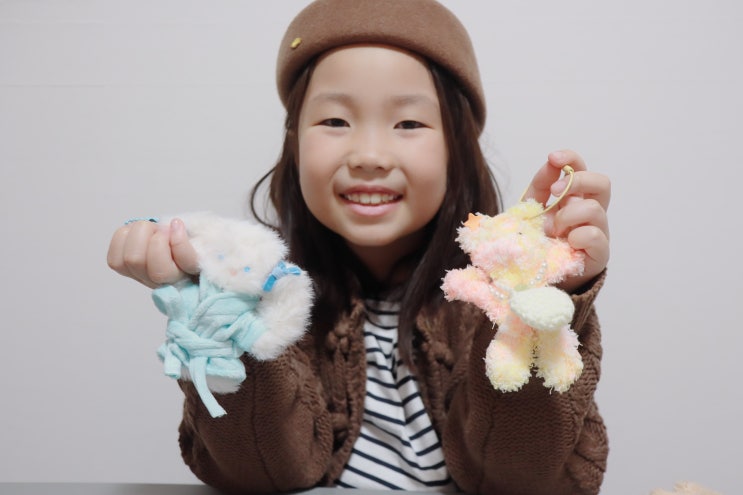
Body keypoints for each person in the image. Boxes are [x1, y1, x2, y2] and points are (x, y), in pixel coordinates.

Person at [107, 1, 611, 493]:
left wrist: (536, 301)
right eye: (335, 122)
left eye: (408, 124)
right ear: (294, 144)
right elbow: (261, 474)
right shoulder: (271, 297)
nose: (369, 155)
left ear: (457, 148)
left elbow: (521, 480)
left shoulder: (487, 299)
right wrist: (219, 310)